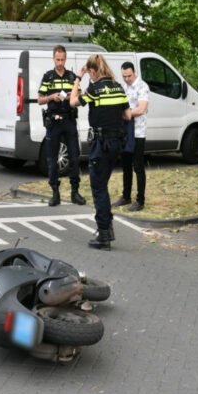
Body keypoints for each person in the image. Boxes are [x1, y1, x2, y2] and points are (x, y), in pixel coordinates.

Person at [70, 54, 131, 250]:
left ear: (94, 71)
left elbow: (73, 101)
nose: (90, 76)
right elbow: (128, 115)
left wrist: (78, 79)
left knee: (98, 188)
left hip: (101, 143)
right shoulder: (118, 87)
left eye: (90, 73)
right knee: (102, 184)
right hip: (116, 144)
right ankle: (108, 228)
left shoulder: (94, 89)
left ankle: (104, 234)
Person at [38, 45, 86, 207]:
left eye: (62, 60)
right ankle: (55, 193)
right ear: (53, 58)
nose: (60, 62)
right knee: (52, 159)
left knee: (74, 156)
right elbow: (39, 99)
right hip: (53, 121)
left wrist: (69, 98)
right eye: (57, 59)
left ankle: (75, 192)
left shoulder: (72, 76)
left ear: (66, 59)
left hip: (69, 120)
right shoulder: (48, 77)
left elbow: (79, 96)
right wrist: (51, 97)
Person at [113, 61, 150, 211]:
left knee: (138, 167)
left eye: (128, 76)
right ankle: (126, 196)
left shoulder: (142, 87)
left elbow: (141, 109)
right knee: (126, 166)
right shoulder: (124, 87)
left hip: (138, 133)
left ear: (134, 72)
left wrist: (125, 113)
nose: (126, 79)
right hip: (125, 132)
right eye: (124, 76)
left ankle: (140, 200)